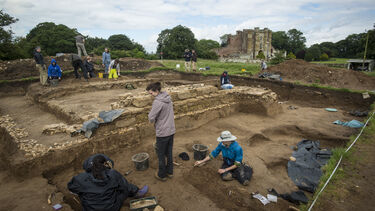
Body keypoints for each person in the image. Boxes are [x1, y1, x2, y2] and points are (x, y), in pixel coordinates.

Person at [68, 154, 148, 211]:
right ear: (105, 164)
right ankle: (137, 193)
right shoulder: (113, 174)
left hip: (90, 208)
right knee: (122, 188)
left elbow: (72, 190)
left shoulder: (80, 178)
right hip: (112, 208)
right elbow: (125, 187)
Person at [147, 82, 176, 181]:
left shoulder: (158, 102)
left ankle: (162, 174)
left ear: (156, 91)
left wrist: (152, 119)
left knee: (161, 154)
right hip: (171, 130)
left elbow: (151, 117)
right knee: (169, 152)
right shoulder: (168, 98)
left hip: (162, 132)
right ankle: (170, 172)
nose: (150, 95)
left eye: (151, 93)